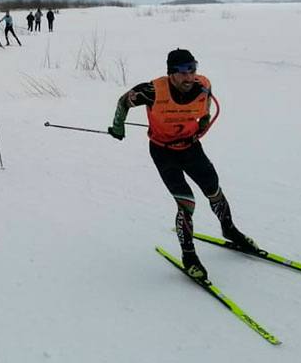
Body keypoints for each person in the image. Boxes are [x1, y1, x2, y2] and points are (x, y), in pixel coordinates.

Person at [107, 48, 258, 280]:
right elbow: (123, 101)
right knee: (187, 202)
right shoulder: (152, 91)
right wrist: (119, 126)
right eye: (183, 72)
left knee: (213, 190)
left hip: (190, 147)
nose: (189, 77)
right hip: (162, 151)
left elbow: (206, 107)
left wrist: (204, 122)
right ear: (171, 74)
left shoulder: (203, 85)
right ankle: (189, 256)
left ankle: (230, 230)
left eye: (192, 69)